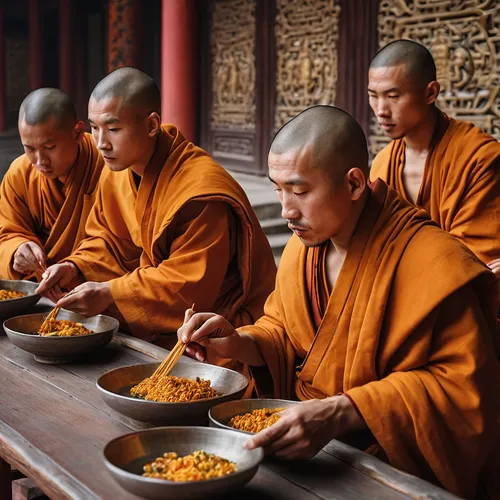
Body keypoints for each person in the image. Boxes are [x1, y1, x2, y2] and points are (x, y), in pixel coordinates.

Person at [177, 106, 500, 499]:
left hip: (388, 466)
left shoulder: (435, 263)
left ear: (353, 184)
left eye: (299, 191)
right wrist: (234, 341)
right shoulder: (303, 252)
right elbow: (283, 333)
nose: (286, 210)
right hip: (302, 449)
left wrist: (342, 412)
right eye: (278, 189)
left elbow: (464, 393)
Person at [36, 67, 276, 356]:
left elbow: (189, 286)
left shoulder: (199, 191)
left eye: (113, 129)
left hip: (218, 327)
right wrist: (75, 267)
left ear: (151, 125)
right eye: (94, 128)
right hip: (155, 320)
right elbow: (107, 243)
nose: (101, 143)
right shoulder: (117, 173)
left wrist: (111, 292)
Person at [368, 39, 500, 279]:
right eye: (373, 96)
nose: (380, 110)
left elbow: (474, 261)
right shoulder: (382, 164)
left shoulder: (478, 157)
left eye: (393, 96)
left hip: (456, 296)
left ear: (431, 93)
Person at [0, 88, 104, 281]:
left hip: (93, 289)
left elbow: (117, 243)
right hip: (37, 289)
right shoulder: (20, 174)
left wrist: (75, 266)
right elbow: (6, 232)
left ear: (78, 133)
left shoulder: (105, 167)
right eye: (29, 148)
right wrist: (16, 250)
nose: (40, 160)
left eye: (49, 148)